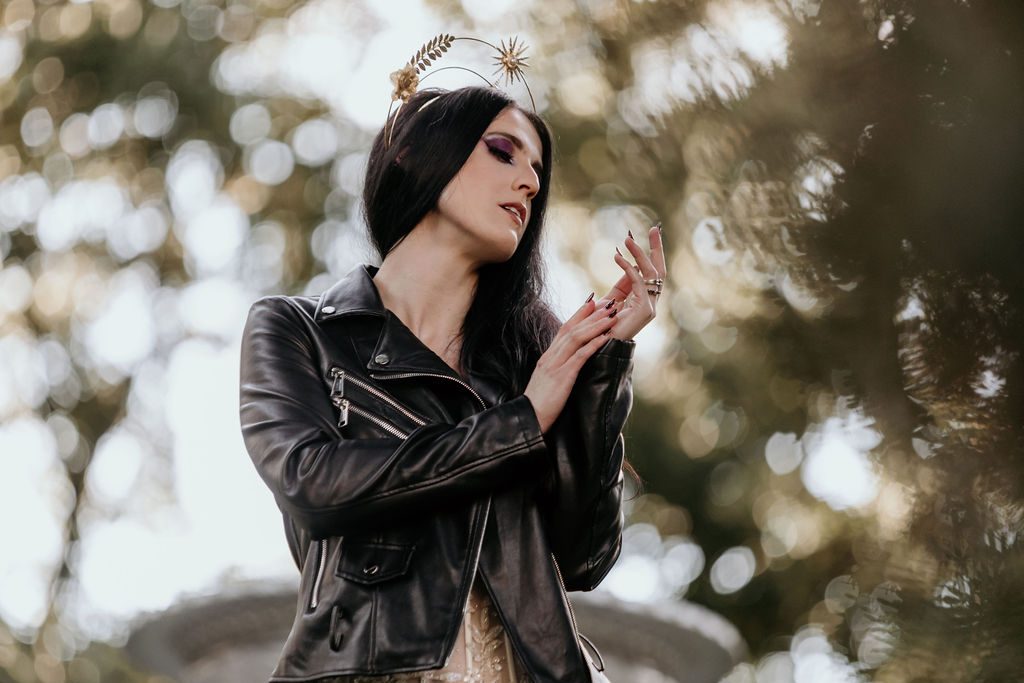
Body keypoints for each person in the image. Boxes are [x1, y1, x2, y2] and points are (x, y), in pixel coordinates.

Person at [239, 84, 666, 683]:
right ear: (412, 153)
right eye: (503, 151)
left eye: (538, 169)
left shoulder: (531, 363)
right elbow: (313, 483)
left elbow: (582, 559)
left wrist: (603, 365)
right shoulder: (299, 332)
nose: (531, 183)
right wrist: (522, 422)